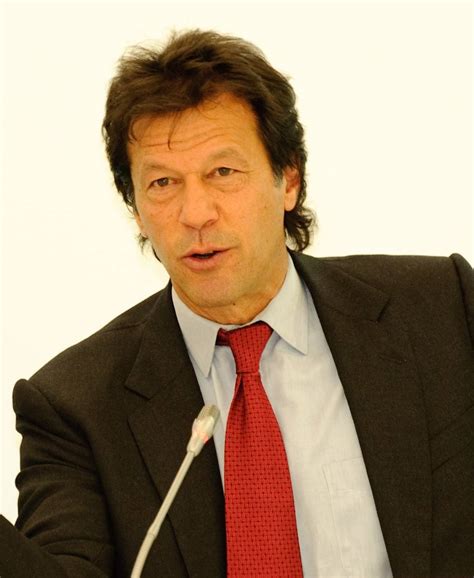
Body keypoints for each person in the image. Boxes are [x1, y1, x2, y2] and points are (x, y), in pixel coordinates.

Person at [1, 28, 473, 578]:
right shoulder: (75, 406)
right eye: (162, 183)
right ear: (135, 210)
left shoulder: (441, 312)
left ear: (288, 179)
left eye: (222, 172)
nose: (195, 213)